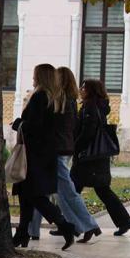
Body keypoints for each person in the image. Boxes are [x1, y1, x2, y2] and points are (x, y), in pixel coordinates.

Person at [28, 67, 103, 243]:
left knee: (63, 192)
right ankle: (34, 230)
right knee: (47, 192)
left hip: (56, 150)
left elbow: (51, 126)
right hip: (61, 149)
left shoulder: (61, 99)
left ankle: (87, 224)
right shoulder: (67, 100)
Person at [10, 64, 77, 250]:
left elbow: (35, 126)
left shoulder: (40, 96)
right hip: (46, 153)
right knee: (27, 195)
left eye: (35, 74)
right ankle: (22, 233)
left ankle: (64, 225)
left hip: (35, 154)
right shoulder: (57, 98)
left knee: (34, 195)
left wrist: (18, 124)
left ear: (41, 76)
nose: (32, 77)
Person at [70, 79, 130, 236]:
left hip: (88, 157)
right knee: (98, 190)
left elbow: (88, 132)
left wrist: (76, 148)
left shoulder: (90, 107)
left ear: (91, 90)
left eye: (84, 87)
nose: (80, 89)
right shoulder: (98, 105)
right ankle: (124, 221)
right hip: (96, 157)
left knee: (72, 190)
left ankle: (71, 225)